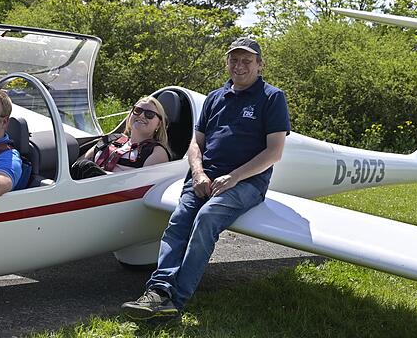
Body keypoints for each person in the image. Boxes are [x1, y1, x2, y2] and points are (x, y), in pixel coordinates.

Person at [121, 37, 291, 319]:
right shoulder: (215, 97)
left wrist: (234, 177)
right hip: (203, 178)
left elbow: (274, 153)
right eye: (234, 60)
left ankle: (174, 300)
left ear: (260, 65)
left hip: (247, 182)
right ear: (227, 64)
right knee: (178, 223)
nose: (239, 66)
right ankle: (157, 291)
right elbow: (195, 143)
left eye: (247, 60)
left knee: (207, 218)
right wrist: (198, 173)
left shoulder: (272, 98)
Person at [70, 96, 170, 180]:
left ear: (158, 124)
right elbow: (78, 163)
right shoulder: (111, 139)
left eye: (149, 114)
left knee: (85, 167)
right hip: (83, 188)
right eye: (137, 110)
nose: (142, 115)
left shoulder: (156, 152)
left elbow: (142, 186)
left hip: (115, 196)